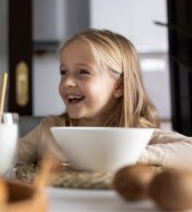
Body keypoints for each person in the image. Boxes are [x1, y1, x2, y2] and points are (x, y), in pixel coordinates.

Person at [18, 28, 192, 169]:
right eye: (64, 72)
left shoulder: (136, 132)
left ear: (119, 87)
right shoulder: (50, 129)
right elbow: (6, 158)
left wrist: (132, 155)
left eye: (83, 72)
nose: (67, 82)